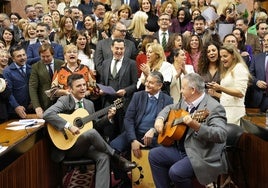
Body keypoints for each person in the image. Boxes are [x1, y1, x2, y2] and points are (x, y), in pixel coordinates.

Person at [43, 73, 137, 188]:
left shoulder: (89, 104)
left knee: (103, 157)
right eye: (78, 86)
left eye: (84, 85)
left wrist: (108, 118)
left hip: (86, 146)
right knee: (91, 134)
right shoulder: (64, 100)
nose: (83, 88)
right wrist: (68, 125)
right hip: (68, 146)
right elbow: (47, 114)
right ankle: (117, 157)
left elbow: (95, 126)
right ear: (70, 89)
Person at [149, 73, 228, 187]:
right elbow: (169, 108)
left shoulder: (214, 107)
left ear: (192, 90)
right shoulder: (185, 101)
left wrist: (196, 126)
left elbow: (221, 135)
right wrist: (160, 119)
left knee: (176, 172)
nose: (180, 91)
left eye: (182, 88)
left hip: (201, 154)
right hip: (183, 149)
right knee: (154, 155)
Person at [110, 71, 173, 156]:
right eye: (147, 81)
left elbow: (168, 124)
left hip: (155, 137)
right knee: (112, 147)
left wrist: (154, 131)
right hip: (135, 133)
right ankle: (123, 168)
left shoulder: (168, 100)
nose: (147, 84)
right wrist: (133, 140)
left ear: (160, 86)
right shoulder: (137, 96)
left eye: (151, 83)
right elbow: (128, 119)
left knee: (163, 154)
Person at [99, 38, 138, 140]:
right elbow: (102, 82)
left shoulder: (131, 63)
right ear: (111, 48)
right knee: (108, 130)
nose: (119, 51)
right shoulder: (105, 63)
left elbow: (135, 84)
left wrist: (125, 91)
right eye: (117, 48)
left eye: (121, 49)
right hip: (108, 103)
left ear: (125, 49)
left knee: (122, 131)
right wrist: (101, 90)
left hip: (124, 103)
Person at [208, 44, 250, 125]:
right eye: (221, 56)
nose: (222, 59)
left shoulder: (240, 68)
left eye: (225, 56)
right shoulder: (228, 70)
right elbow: (228, 97)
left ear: (233, 56)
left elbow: (240, 93)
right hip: (225, 110)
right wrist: (215, 94)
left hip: (235, 113)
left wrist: (220, 88)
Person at [29, 43, 64, 118]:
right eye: (43, 56)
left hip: (61, 102)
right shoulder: (36, 67)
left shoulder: (62, 64)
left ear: (53, 54)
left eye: (48, 56)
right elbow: (32, 88)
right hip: (45, 104)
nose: (45, 59)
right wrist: (37, 107)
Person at [3, 45, 32, 119]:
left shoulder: (31, 68)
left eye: (24, 55)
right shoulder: (7, 71)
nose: (22, 58)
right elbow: (9, 92)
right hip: (15, 111)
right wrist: (16, 106)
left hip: (31, 108)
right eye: (19, 56)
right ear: (13, 59)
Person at [248, 32, 268, 112]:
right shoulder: (256, 58)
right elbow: (249, 75)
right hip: (260, 98)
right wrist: (256, 82)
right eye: (264, 41)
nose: (266, 43)